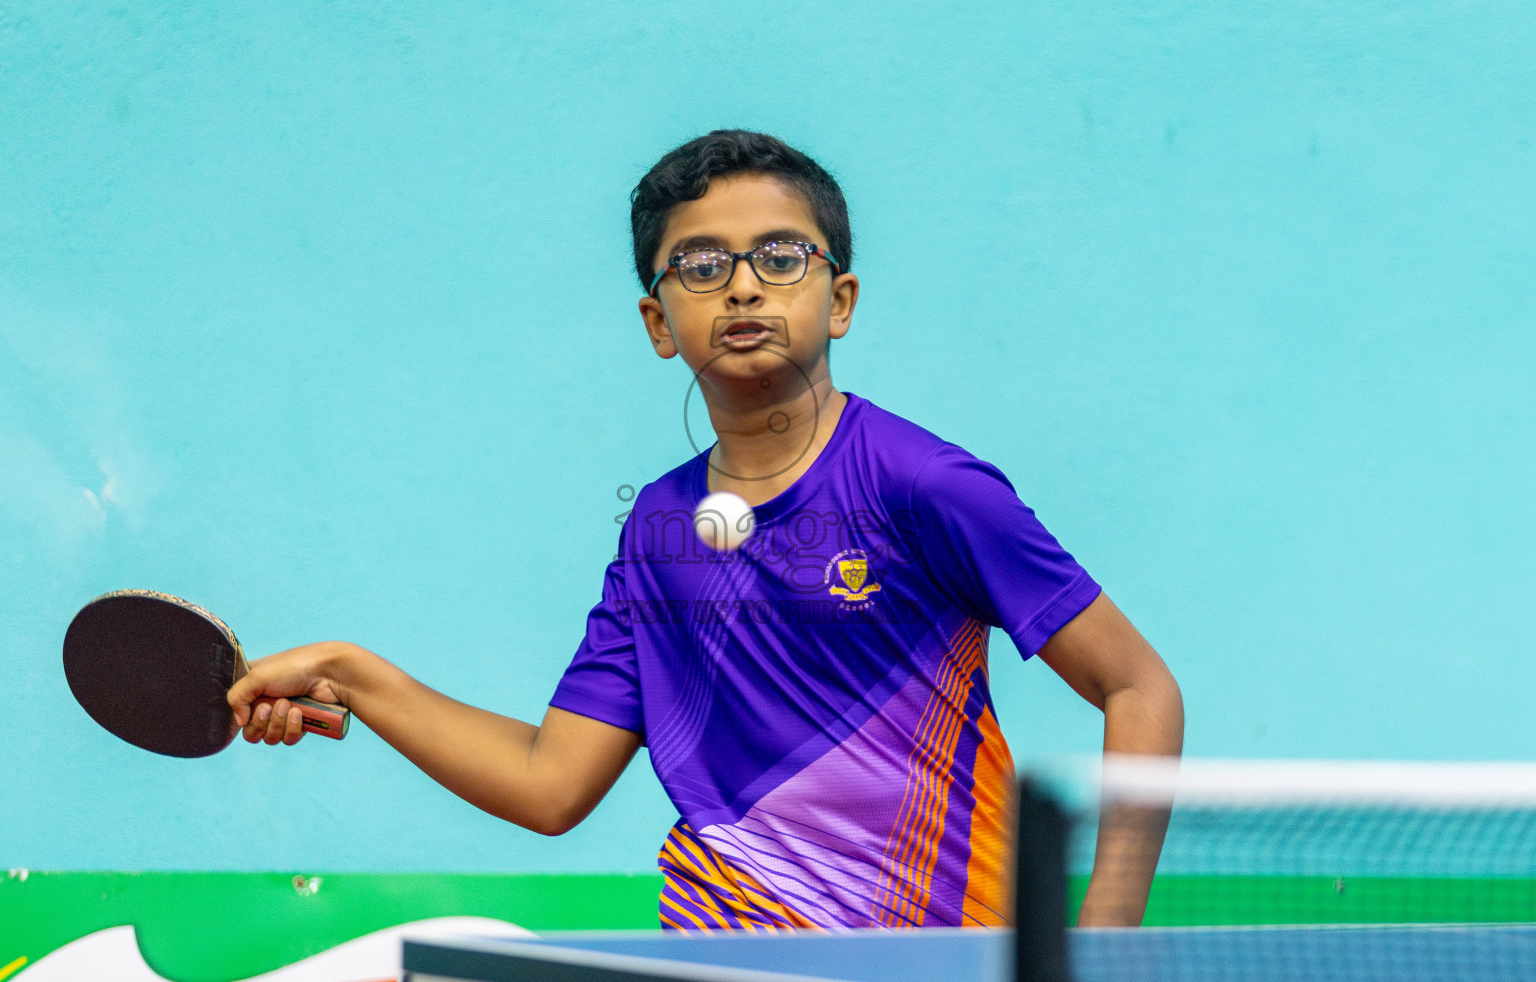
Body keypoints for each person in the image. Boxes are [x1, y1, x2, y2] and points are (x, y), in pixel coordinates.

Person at [229, 129, 1184, 930]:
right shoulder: (657, 529)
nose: (742, 287)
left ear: (839, 300)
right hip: (720, 953)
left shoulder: (924, 485)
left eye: (780, 256)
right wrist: (356, 678)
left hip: (938, 954)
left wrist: (1097, 949)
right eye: (701, 264)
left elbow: (1138, 686)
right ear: (658, 320)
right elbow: (551, 784)